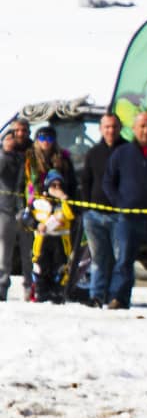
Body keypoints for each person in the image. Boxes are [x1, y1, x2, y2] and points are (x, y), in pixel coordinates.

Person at [104, 111, 147, 310]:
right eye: (142, 126)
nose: (146, 130)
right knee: (124, 259)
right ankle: (119, 297)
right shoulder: (122, 153)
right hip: (128, 217)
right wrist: (119, 203)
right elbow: (108, 182)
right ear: (134, 129)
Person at [79, 112, 125, 307]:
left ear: (120, 128)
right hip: (95, 215)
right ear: (100, 129)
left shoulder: (127, 150)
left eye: (114, 126)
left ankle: (116, 296)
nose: (110, 130)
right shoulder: (93, 152)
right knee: (98, 258)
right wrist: (87, 208)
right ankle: (96, 296)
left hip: (119, 215)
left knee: (119, 259)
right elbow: (86, 181)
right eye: (106, 127)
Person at [26, 170, 74, 303]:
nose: (56, 188)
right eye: (54, 185)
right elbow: (26, 218)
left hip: (60, 242)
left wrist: (63, 198)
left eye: (59, 185)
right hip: (42, 241)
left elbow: (71, 215)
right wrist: (36, 225)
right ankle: (40, 293)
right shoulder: (38, 202)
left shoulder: (65, 202)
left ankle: (57, 294)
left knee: (60, 269)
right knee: (40, 268)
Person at [0, 120, 26, 300]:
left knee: (16, 252)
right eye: (8, 138)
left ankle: (5, 288)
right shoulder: (2, 157)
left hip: (17, 209)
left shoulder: (23, 157)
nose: (12, 140)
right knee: (3, 250)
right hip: (3, 208)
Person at [23, 123, 78, 203]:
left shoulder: (63, 158)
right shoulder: (30, 158)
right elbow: (22, 182)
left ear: (54, 141)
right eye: (42, 138)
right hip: (36, 200)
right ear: (37, 140)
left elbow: (72, 181)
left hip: (59, 199)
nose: (45, 142)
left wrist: (69, 199)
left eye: (49, 139)